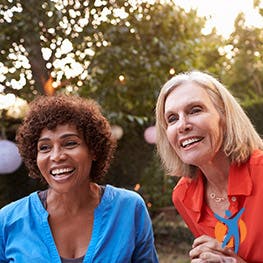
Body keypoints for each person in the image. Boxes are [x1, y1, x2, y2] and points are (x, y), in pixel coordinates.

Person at [0, 95, 159, 263]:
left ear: (94, 150)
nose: (56, 156)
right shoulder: (8, 220)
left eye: (70, 143)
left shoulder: (129, 208)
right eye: (45, 147)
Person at [155, 71, 263, 262]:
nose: (182, 125)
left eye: (195, 110)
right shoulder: (183, 195)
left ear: (224, 116)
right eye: (172, 119)